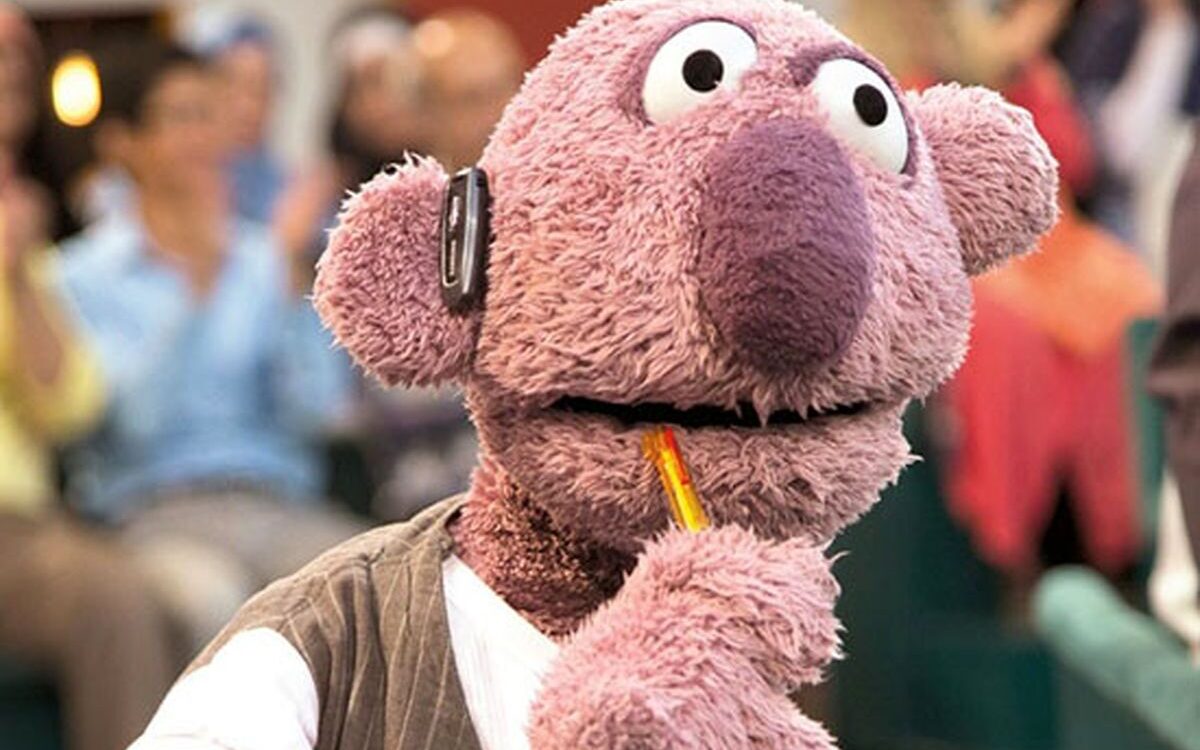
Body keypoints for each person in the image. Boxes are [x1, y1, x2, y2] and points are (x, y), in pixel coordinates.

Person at [57, 36, 362, 653]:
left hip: (278, 504)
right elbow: (131, 424)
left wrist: (288, 286)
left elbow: (322, 411)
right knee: (216, 602)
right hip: (153, 517)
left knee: (375, 583)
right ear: (123, 142)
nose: (203, 137)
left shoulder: (263, 256)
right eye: (181, 117)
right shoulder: (80, 274)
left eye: (209, 116)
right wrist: (191, 293)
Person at [0, 8, 176, 750]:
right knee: (114, 599)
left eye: (19, 58)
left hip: (27, 523)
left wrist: (18, 271)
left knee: (152, 594)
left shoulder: (22, 223)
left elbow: (69, 404)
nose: (13, 70)